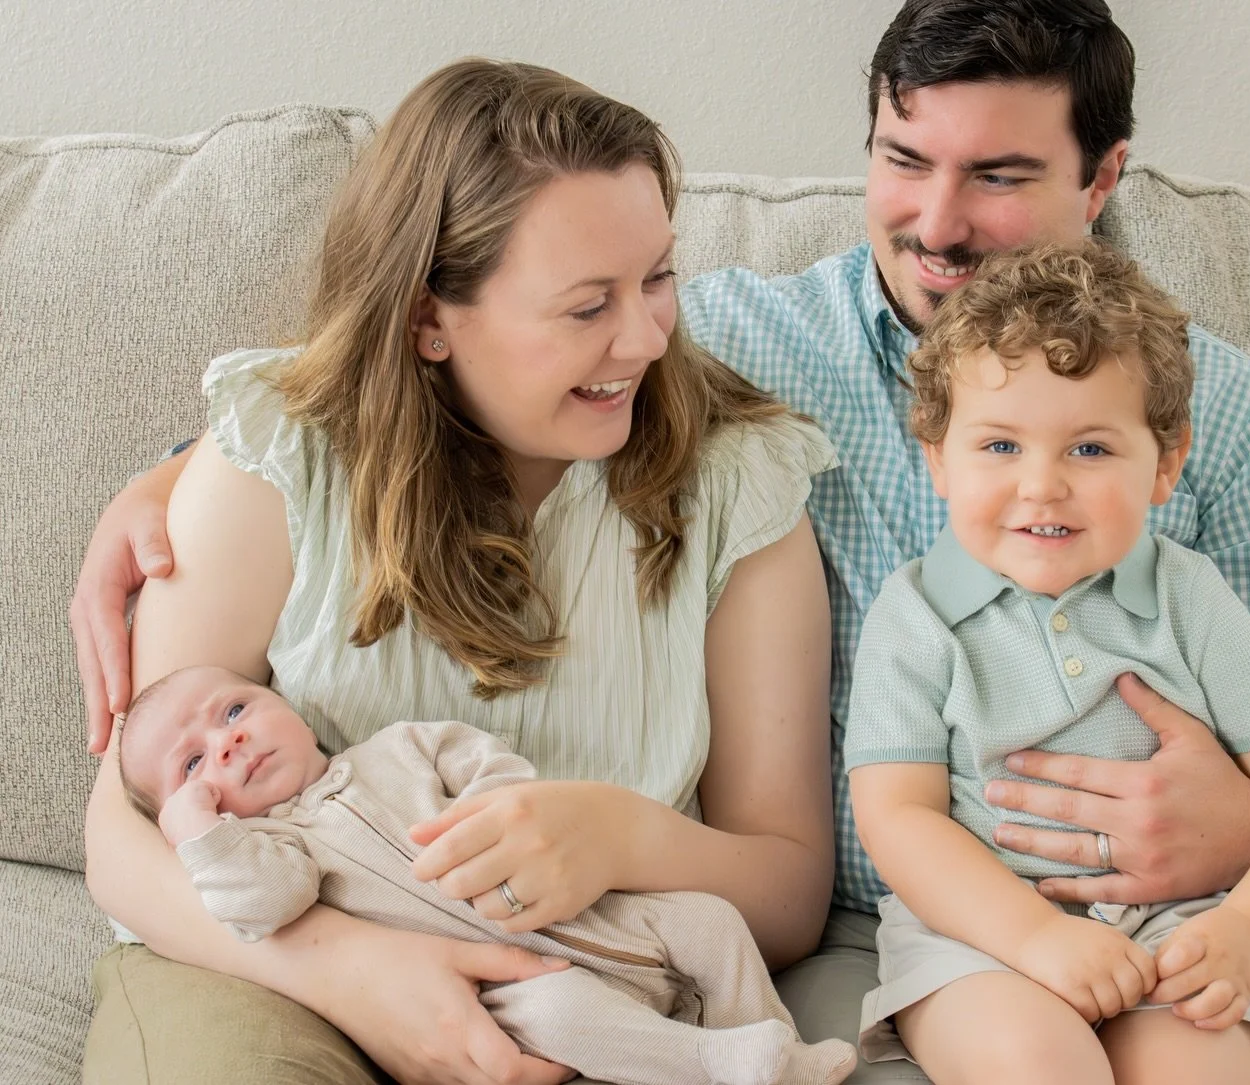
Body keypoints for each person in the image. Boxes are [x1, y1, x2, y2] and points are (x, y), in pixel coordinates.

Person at [72, 4, 1250, 1085]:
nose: (940, 222)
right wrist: (182, 476)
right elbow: (398, 381)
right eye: (906, 163)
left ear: (1107, 176)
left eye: (1003, 175)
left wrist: (1245, 838)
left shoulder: (1229, 427)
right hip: (894, 933)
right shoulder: (742, 352)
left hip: (1166, 910)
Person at [78, 58, 840, 1085]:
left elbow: (790, 892)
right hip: (267, 965)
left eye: (658, 276)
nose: (649, 335)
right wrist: (352, 970)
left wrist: (624, 836)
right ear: (429, 318)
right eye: (586, 306)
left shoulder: (739, 488)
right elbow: (122, 832)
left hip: (592, 989)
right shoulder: (278, 458)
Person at [844, 240, 1250, 1085]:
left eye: (1089, 449)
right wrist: (1038, 937)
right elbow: (899, 817)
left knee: (1198, 1069)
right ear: (938, 457)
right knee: (1039, 1065)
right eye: (1000, 446)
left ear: (1165, 463)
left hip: (1177, 925)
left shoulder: (1186, 597)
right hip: (981, 935)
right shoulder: (916, 616)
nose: (1042, 484)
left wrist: (1249, 933)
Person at [115, 664, 856, 1085]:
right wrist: (200, 835)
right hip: (513, 990)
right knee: (565, 1017)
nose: (229, 740)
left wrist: (493, 806)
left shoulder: (398, 747)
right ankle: (711, 1064)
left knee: (712, 922)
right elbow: (260, 905)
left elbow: (487, 763)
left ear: (289, 705)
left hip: (596, 913)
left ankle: (773, 1051)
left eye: (236, 707)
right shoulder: (277, 849)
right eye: (194, 763)